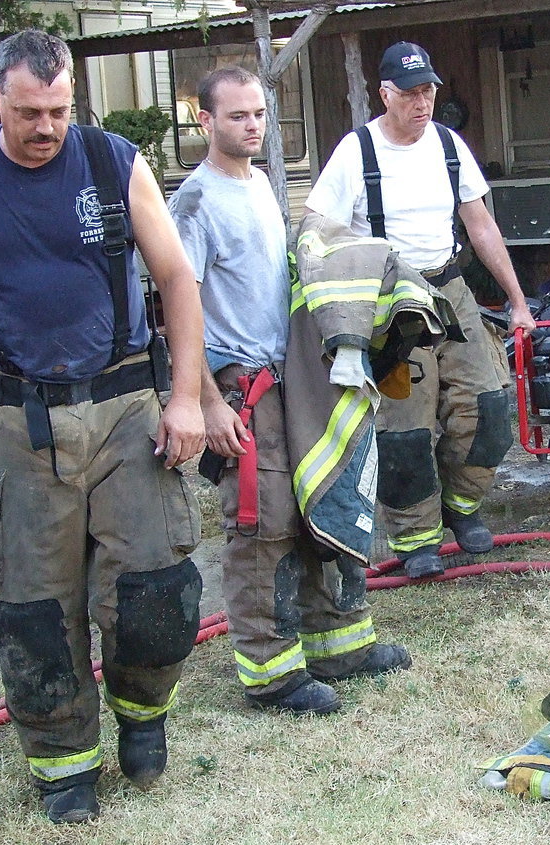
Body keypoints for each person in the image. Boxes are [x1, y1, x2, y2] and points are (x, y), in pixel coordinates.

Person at [0, 30, 206, 824]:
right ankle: (64, 764)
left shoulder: (111, 162)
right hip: (16, 418)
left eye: (61, 109)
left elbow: (175, 275)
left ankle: (144, 719)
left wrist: (185, 397)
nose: (47, 126)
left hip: (124, 407)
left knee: (154, 590)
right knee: (34, 609)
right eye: (31, 111)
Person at [169, 66, 411, 717]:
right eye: (237, 115)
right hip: (238, 384)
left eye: (259, 113)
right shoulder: (193, 203)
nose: (252, 125)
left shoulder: (260, 185)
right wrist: (207, 403)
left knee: (316, 498)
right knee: (262, 519)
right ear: (205, 121)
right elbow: (179, 306)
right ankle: (271, 673)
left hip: (287, 376)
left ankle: (338, 644)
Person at [305, 41, 536, 579]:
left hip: (449, 290)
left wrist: (518, 301)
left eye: (428, 90)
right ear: (384, 94)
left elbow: (480, 225)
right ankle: (417, 538)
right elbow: (316, 230)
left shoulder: (449, 147)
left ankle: (461, 508)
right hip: (389, 303)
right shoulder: (355, 152)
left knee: (489, 405)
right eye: (409, 93)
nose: (421, 102)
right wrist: (332, 315)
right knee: (403, 429)